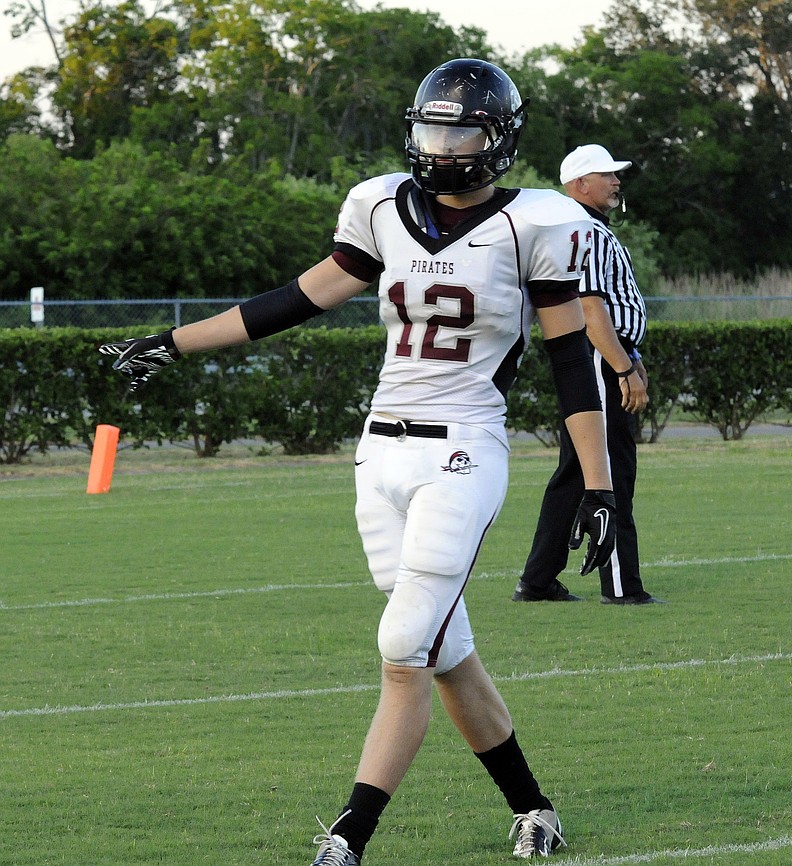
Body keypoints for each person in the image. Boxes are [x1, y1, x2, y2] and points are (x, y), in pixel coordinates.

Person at [99, 60, 617, 863]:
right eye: (433, 129)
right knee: (443, 650)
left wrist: (599, 484)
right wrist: (171, 344)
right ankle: (534, 808)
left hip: (463, 450)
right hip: (378, 455)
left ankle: (350, 834)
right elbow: (296, 299)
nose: (443, 148)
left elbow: (571, 364)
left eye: (462, 132)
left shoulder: (539, 222)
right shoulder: (380, 205)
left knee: (404, 646)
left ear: (500, 140)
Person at [512, 144, 664, 605]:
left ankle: (537, 581)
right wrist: (622, 366)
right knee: (612, 471)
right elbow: (591, 308)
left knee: (576, 474)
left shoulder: (588, 228)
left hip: (603, 357)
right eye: (607, 175)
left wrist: (630, 357)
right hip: (600, 361)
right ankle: (621, 586)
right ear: (579, 183)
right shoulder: (584, 230)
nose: (617, 182)